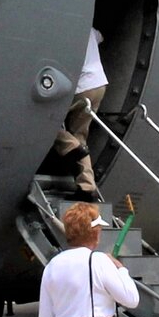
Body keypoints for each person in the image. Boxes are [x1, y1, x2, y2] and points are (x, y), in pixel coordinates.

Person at [50, 27, 109, 197]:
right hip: (99, 85)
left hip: (82, 86)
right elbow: (101, 37)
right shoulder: (90, 30)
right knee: (80, 134)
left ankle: (71, 147)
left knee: (46, 122)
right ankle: (86, 187)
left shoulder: (66, 29)